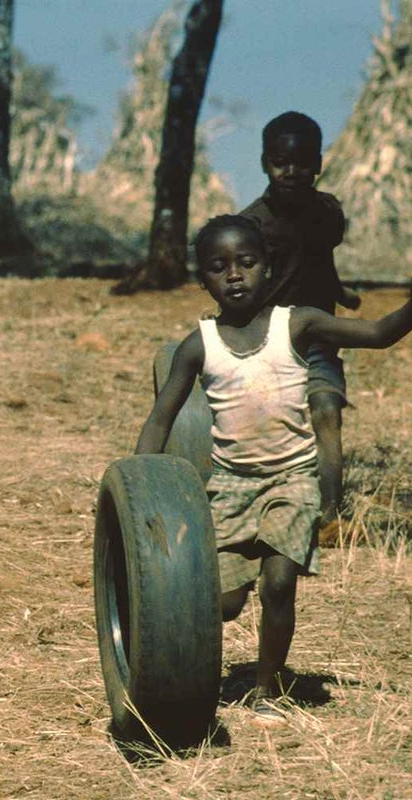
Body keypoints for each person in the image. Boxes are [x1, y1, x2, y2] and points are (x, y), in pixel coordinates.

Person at [137, 215, 412, 727]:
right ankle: (205, 678)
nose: (235, 275)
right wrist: (140, 487)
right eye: (219, 268)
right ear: (203, 280)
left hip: (292, 480)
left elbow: (376, 333)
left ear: (269, 268)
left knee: (279, 584)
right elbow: (160, 419)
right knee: (221, 604)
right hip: (231, 487)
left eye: (247, 263)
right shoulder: (198, 346)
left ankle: (267, 687)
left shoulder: (298, 323)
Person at [240, 111, 361, 534]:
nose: (291, 171)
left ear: (318, 164)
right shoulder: (251, 225)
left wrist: (340, 292)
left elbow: (318, 260)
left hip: (316, 336)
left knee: (327, 410)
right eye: (279, 162)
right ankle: (261, 512)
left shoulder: (327, 213)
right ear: (264, 163)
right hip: (266, 340)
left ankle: (330, 518)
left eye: (302, 162)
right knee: (266, 426)